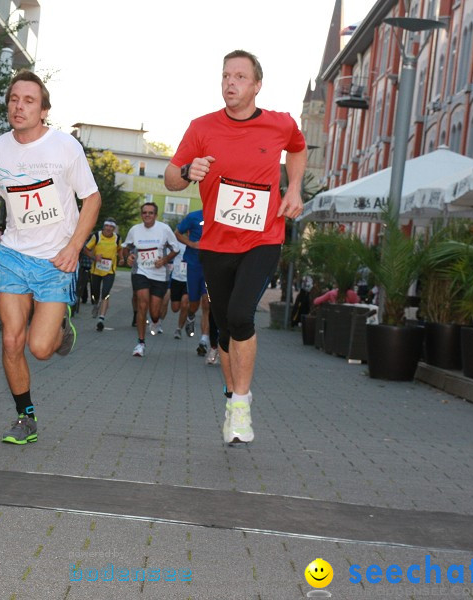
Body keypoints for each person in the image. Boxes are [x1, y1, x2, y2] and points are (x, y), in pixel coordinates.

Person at [164, 49, 306, 444]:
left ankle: (241, 404)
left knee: (242, 316)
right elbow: (170, 178)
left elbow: (297, 148)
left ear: (257, 86)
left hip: (263, 237)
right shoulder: (201, 127)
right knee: (226, 327)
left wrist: (293, 187)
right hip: (216, 243)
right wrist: (188, 172)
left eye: (240, 76)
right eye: (226, 75)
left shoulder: (280, 124)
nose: (231, 82)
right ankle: (232, 398)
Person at [0, 70, 101, 445]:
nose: (19, 106)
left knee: (40, 349)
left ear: (44, 110)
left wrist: (73, 247)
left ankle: (61, 328)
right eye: (14, 99)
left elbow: (92, 199)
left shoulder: (65, 147)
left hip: (55, 260)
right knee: (10, 342)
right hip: (15, 255)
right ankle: (25, 417)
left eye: (29, 100)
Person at [122, 202, 179, 357]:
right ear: (142, 215)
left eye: (150, 213)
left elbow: (176, 249)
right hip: (141, 272)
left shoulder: (164, 230)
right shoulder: (135, 230)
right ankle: (140, 343)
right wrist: (129, 257)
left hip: (159, 275)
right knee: (142, 304)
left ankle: (155, 320)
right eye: (144, 213)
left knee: (154, 312)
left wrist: (165, 260)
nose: (147, 215)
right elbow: (126, 247)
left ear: (156, 215)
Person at [175, 209, 212, 355]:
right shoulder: (194, 216)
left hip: (212, 266)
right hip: (194, 264)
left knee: (207, 303)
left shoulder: (224, 214)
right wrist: (191, 244)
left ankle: (203, 340)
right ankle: (190, 316)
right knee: (194, 303)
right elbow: (177, 233)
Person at [84, 219, 122, 331]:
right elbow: (86, 249)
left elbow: (120, 249)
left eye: (111, 227)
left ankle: (101, 318)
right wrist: (94, 257)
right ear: (103, 227)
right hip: (96, 270)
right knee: (95, 293)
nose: (108, 228)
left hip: (110, 271)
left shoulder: (117, 238)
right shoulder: (97, 236)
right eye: (107, 226)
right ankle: (96, 304)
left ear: (114, 229)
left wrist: (121, 258)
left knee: (105, 293)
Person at [169, 240, 189, 339]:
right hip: (176, 278)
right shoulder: (176, 243)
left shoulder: (197, 243)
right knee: (175, 308)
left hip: (189, 279)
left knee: (185, 303)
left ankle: (179, 329)